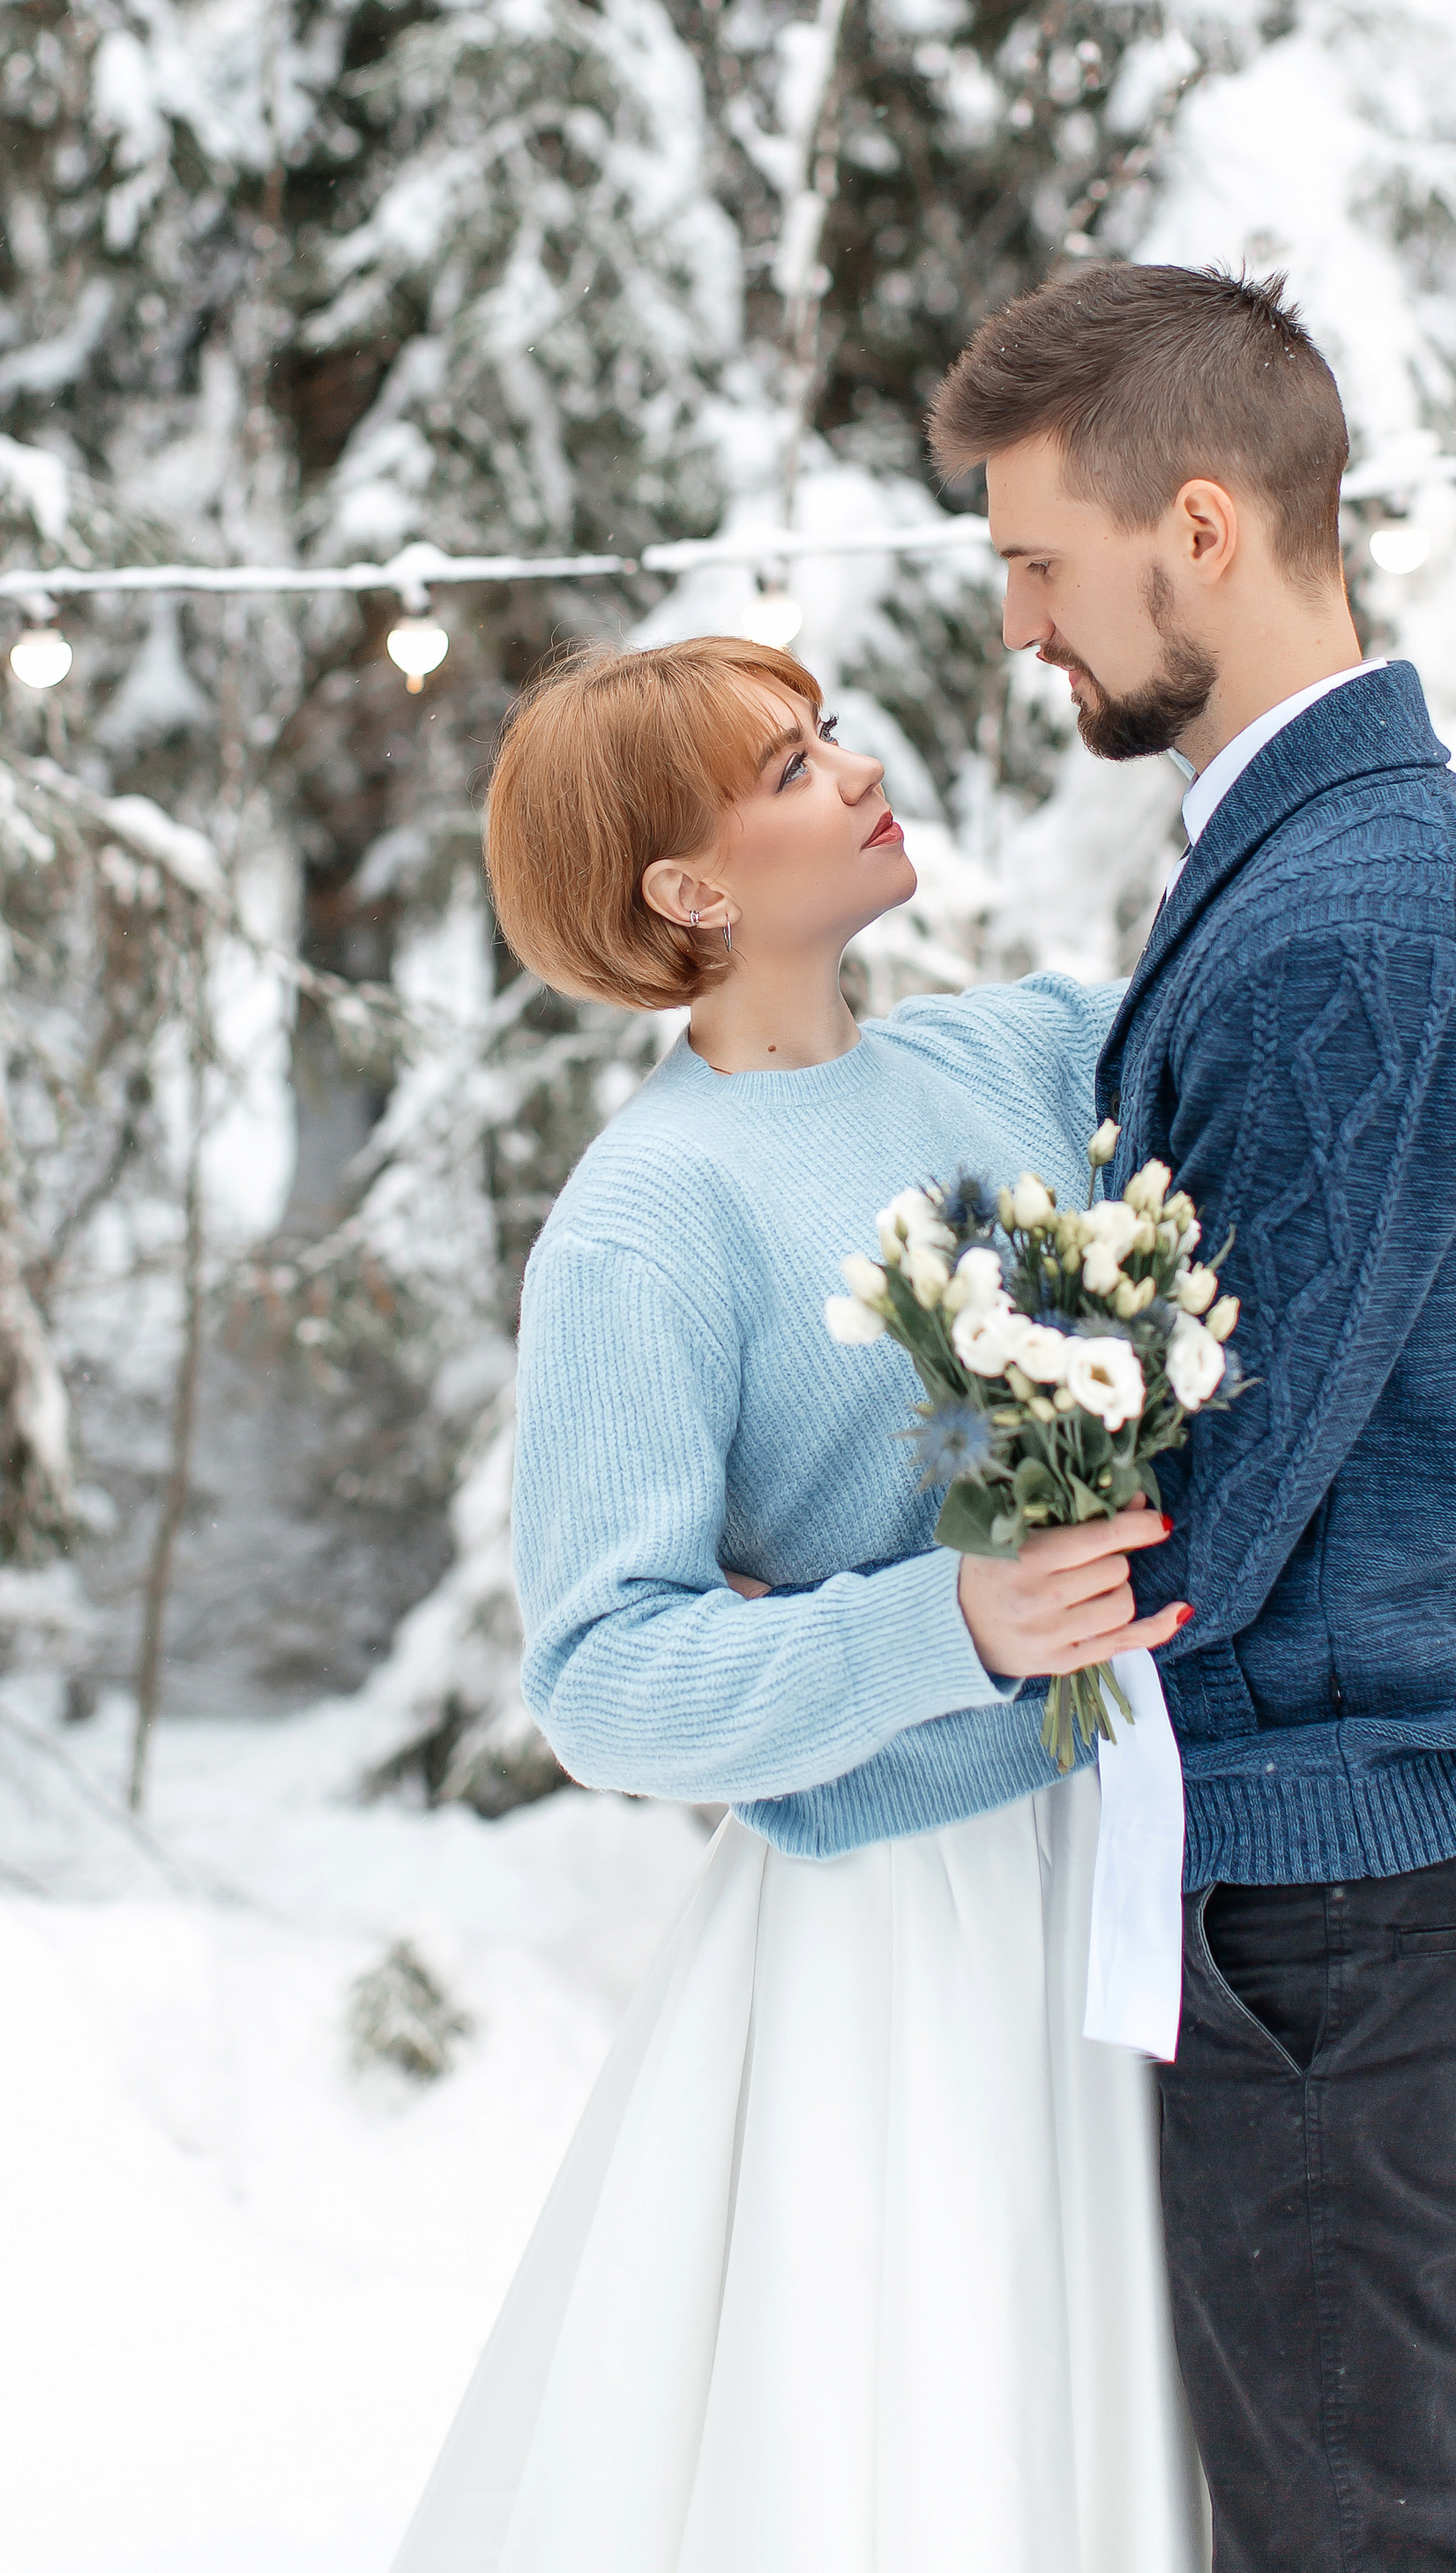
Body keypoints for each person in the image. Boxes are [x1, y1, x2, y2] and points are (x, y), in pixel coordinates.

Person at [390, 632, 1206, 2573]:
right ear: (684, 889)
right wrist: (947, 1626)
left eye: (829, 733)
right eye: (788, 770)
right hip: (903, 1941)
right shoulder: (646, 1221)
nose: (856, 770)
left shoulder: (1015, 1053)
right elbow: (602, 1672)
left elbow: (1257, 1032)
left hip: (1130, 1861)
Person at [929, 260, 1456, 2573]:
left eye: (1042, 559)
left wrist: (930, 1575)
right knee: (1382, 2510)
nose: (1021, 622)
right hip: (1385, 1867)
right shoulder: (1323, 858)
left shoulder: (1351, 925)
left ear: (1198, 529)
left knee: (1352, 2538)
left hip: (1345, 1894)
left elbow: (1210, 1500)